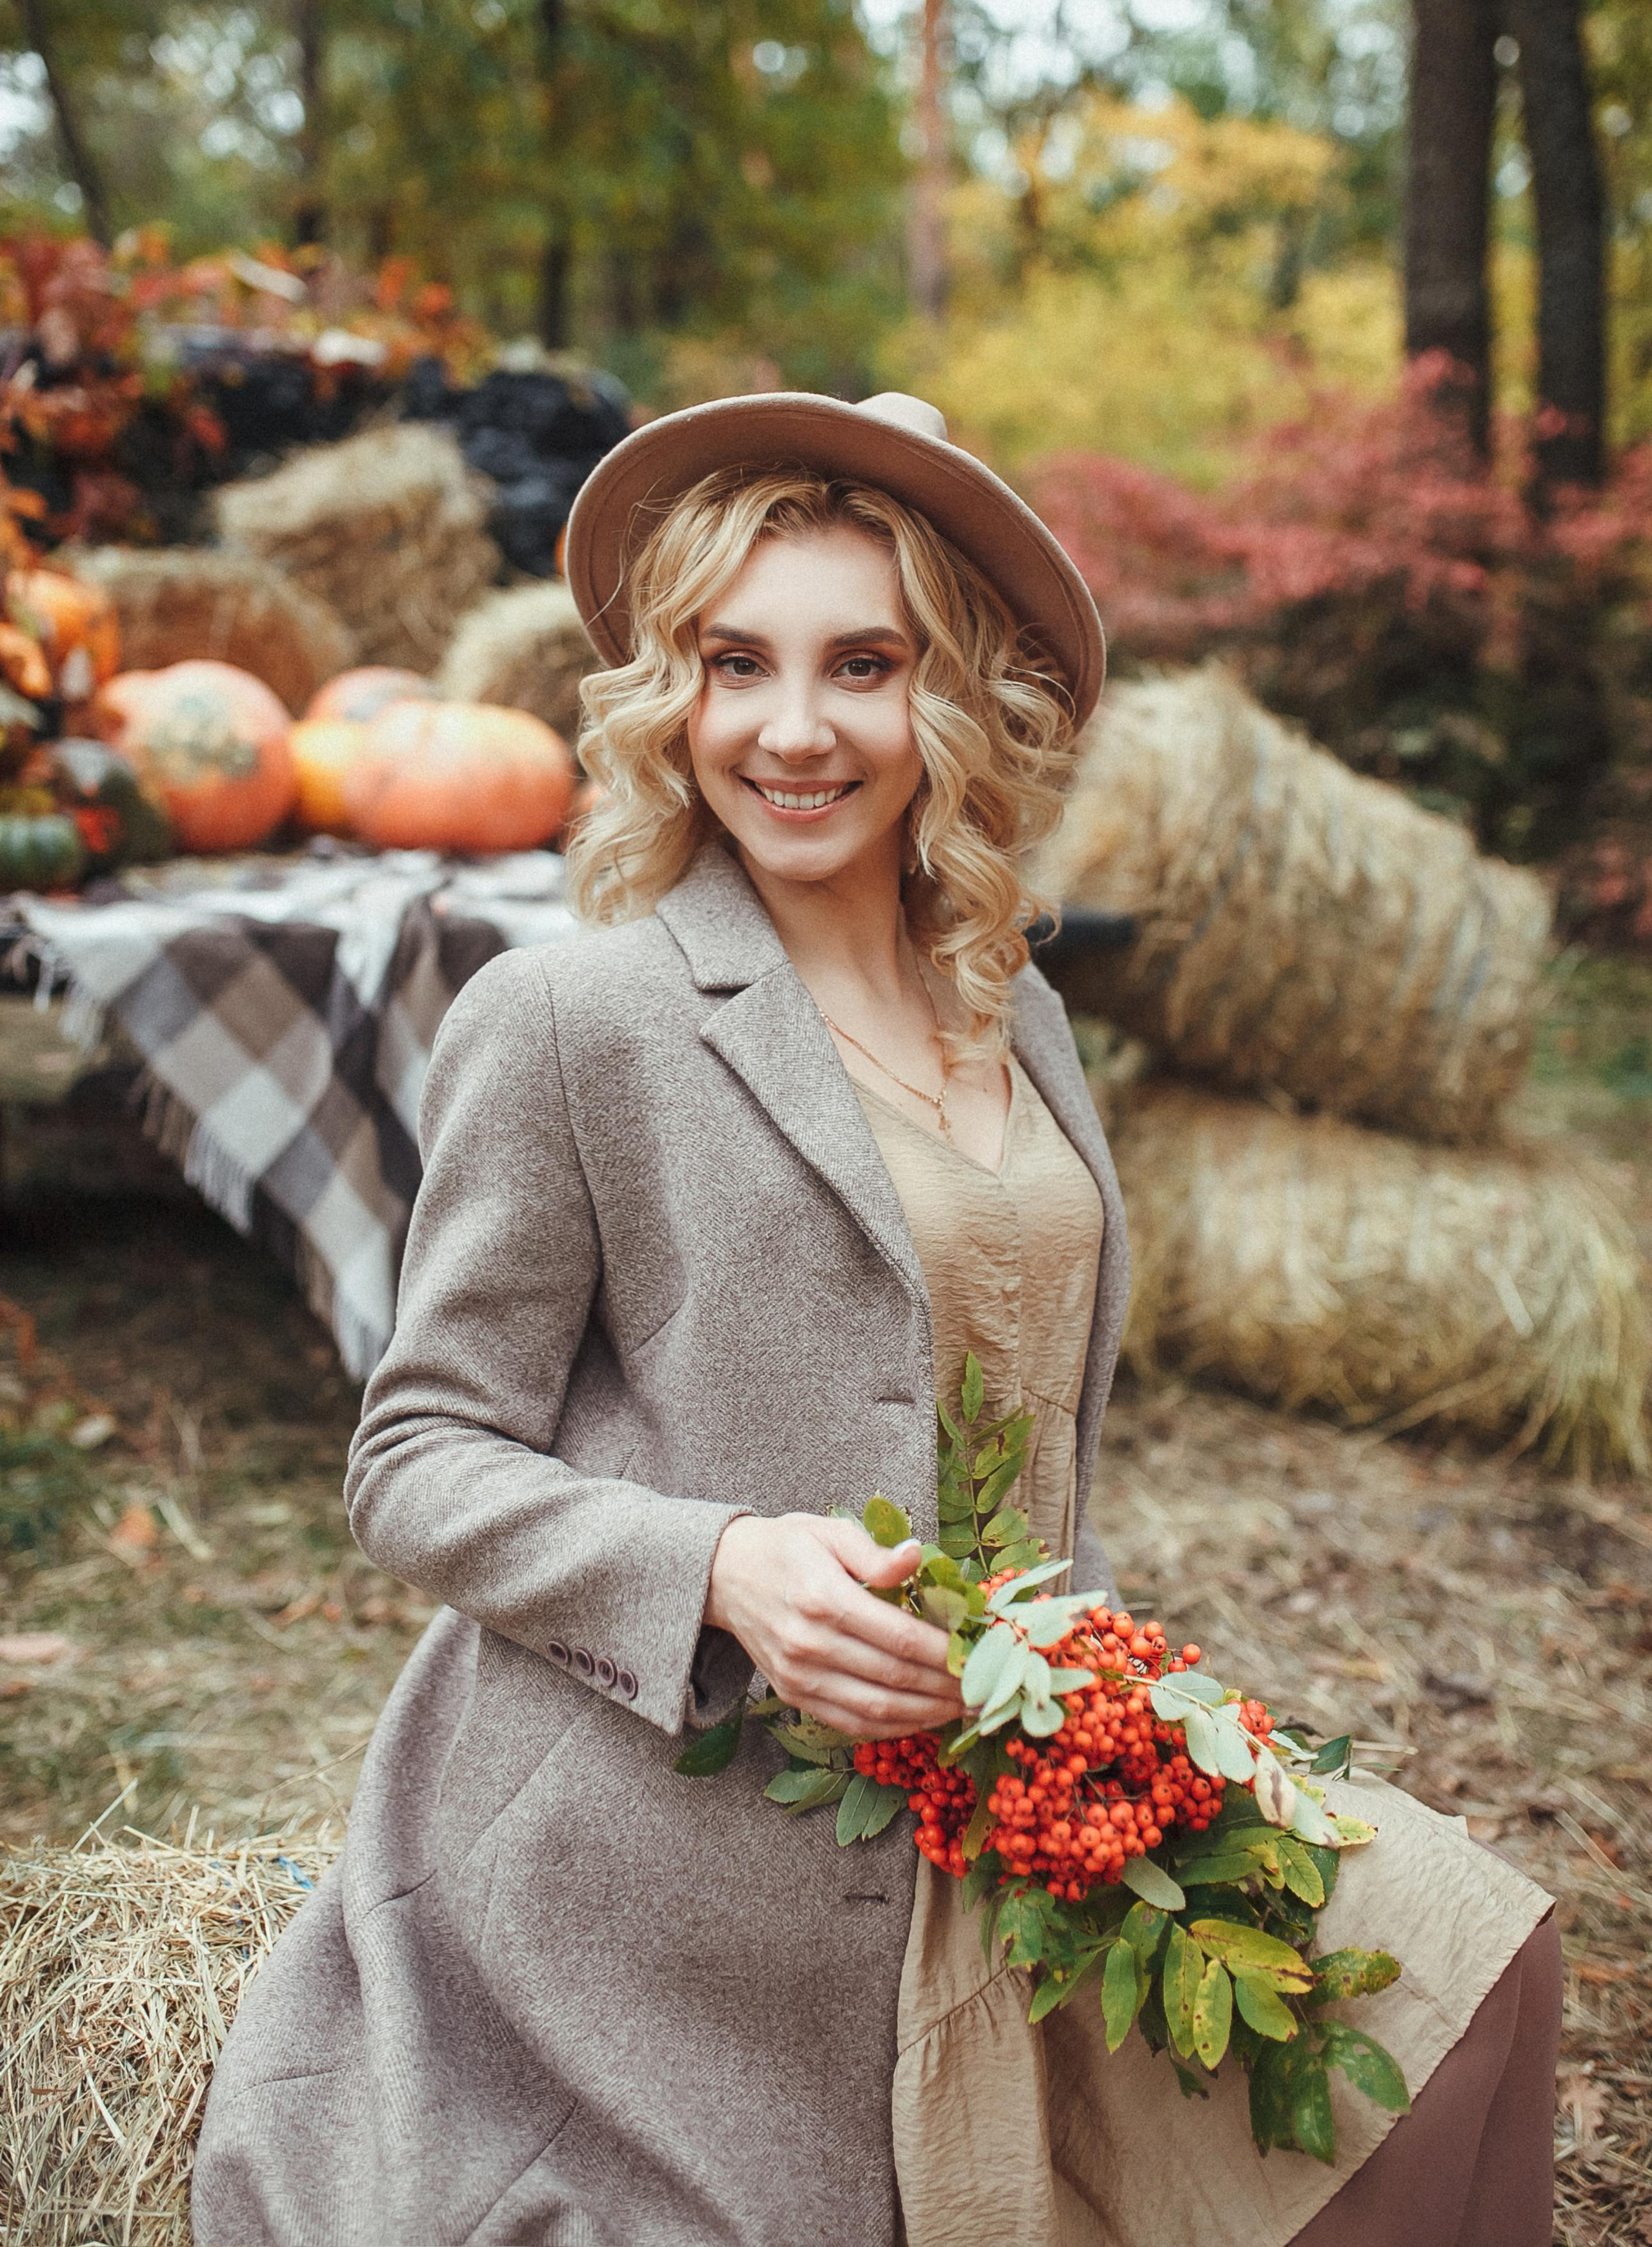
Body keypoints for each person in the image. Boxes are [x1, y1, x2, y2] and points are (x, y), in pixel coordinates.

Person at [192, 391, 1560, 2247]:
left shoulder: (1025, 1013)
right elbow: (415, 1459)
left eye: (864, 663)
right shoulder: (579, 1014)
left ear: (954, 697)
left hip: (1019, 1762)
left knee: (1479, 1968)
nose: (795, 728)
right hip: (683, 1830)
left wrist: (1079, 1704)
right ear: (668, 692)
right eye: (734, 662)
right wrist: (726, 1567)